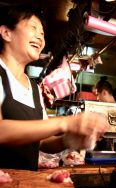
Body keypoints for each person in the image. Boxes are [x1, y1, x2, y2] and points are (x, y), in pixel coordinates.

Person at [0, 4, 108, 171]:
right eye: (33, 28)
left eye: (42, 33)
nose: (40, 37)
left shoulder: (34, 88)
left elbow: (41, 142)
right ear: (6, 33)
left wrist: (68, 139)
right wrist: (65, 122)